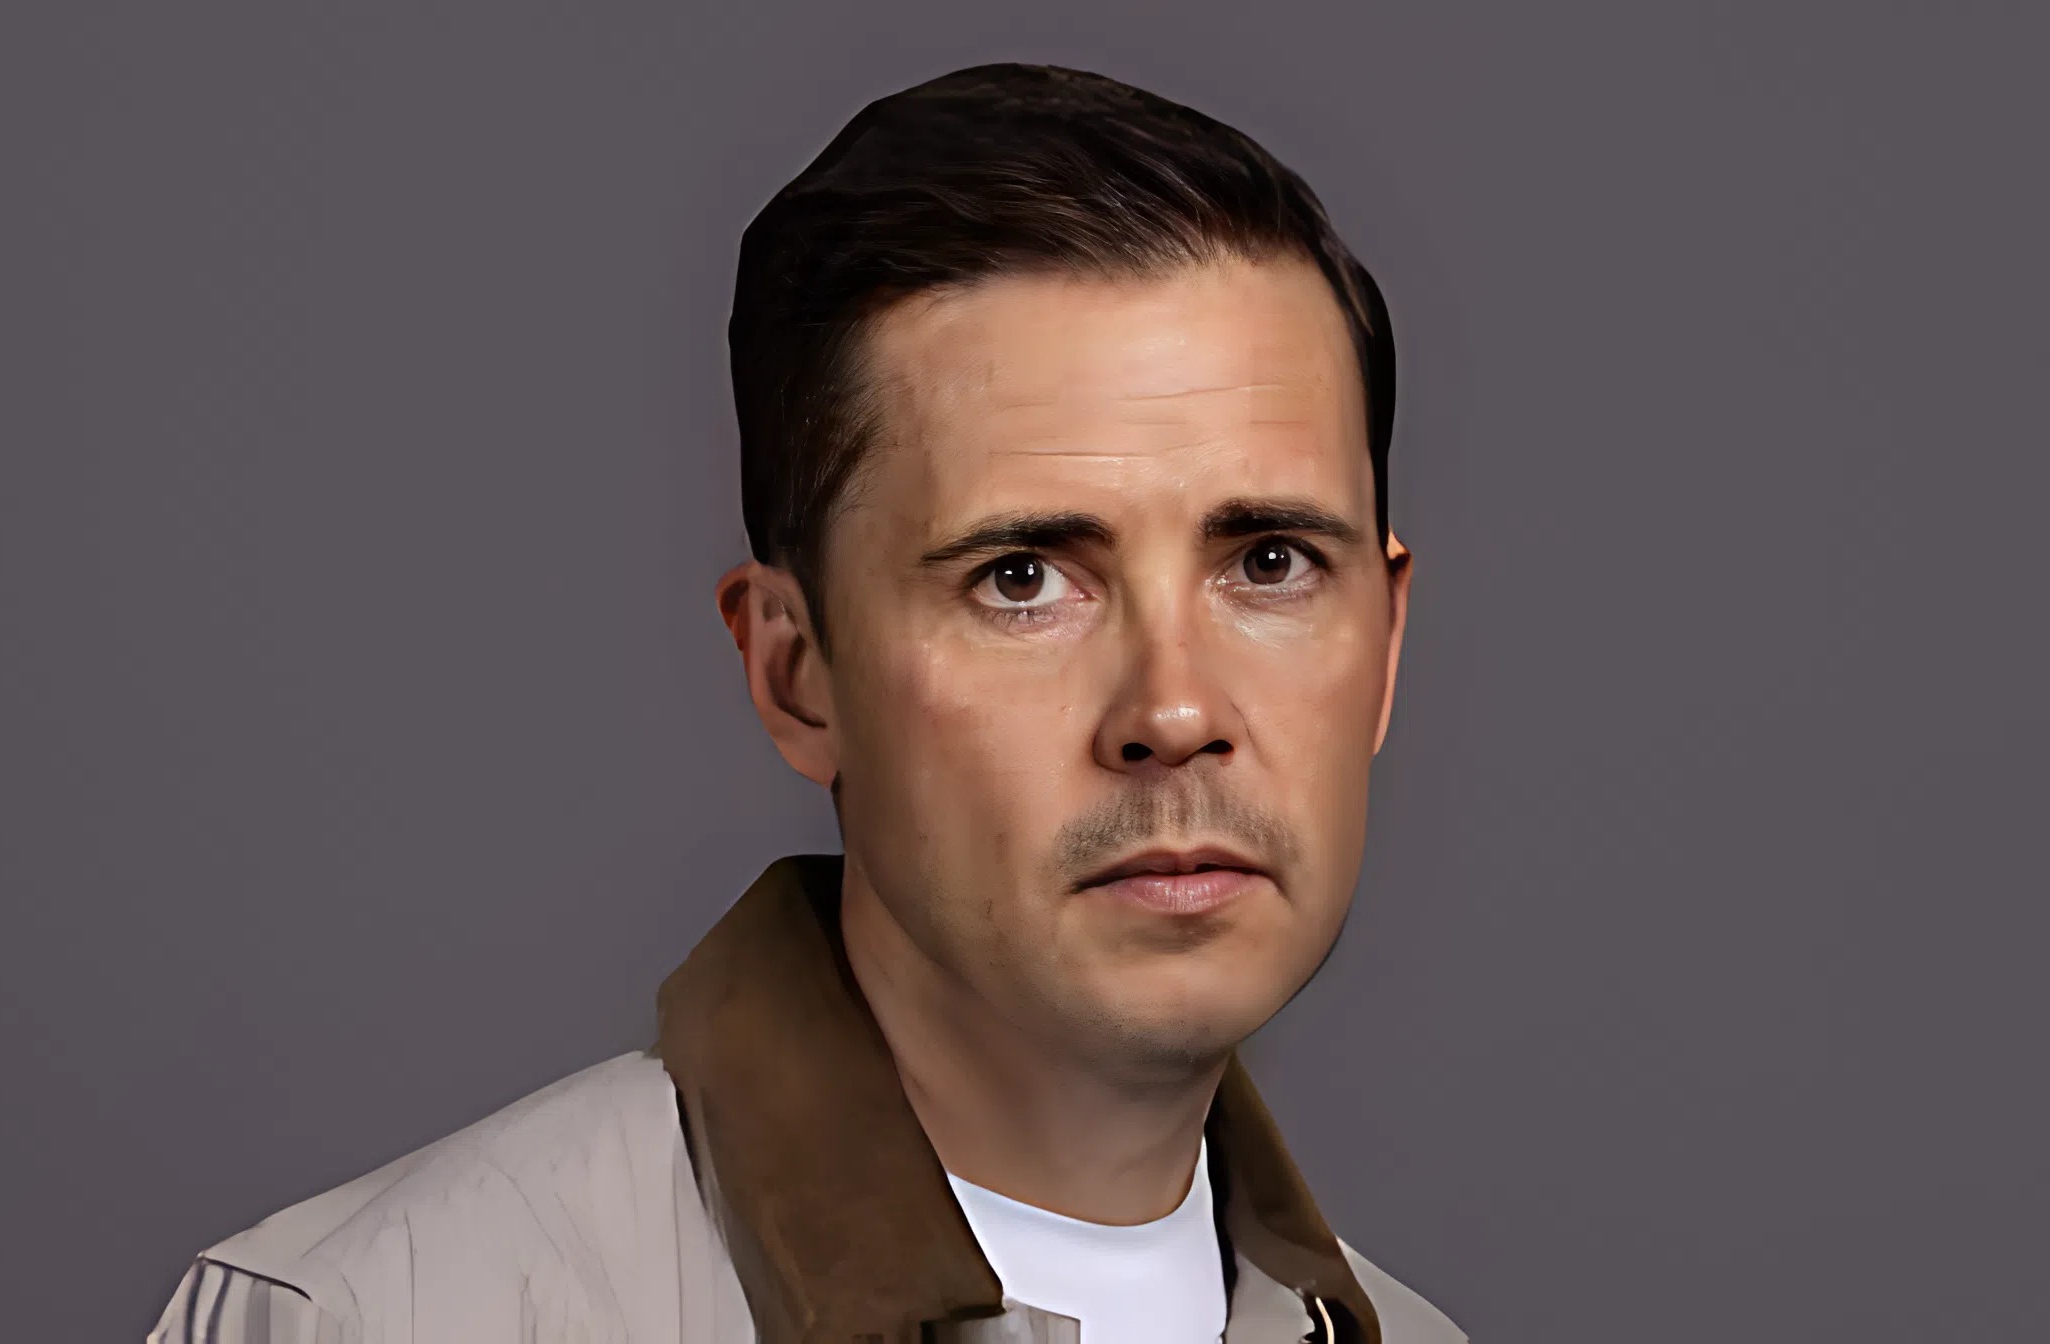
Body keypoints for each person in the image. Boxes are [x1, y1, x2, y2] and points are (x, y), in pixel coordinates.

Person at [148, 62, 1462, 1343]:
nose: (1173, 713)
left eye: (1271, 564)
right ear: (795, 671)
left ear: (1387, 644)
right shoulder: (385, 1320)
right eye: (1021, 578)